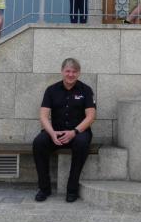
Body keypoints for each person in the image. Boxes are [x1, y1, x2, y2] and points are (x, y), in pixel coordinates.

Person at [32, 58, 96, 202]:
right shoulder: (51, 90)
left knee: (81, 143)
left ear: (78, 73)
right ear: (62, 71)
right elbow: (43, 116)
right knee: (39, 142)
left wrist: (74, 132)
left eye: (74, 71)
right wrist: (51, 133)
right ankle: (44, 188)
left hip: (79, 133)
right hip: (56, 133)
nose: (70, 74)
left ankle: (72, 189)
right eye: (68, 71)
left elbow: (91, 116)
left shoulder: (86, 90)